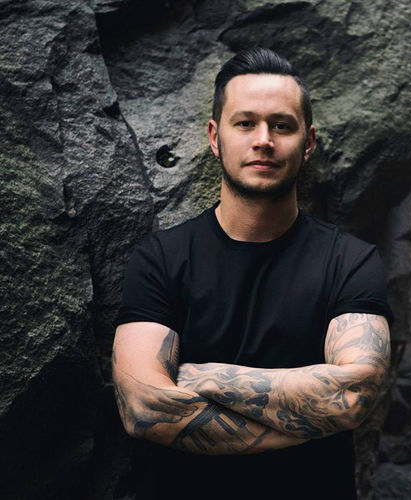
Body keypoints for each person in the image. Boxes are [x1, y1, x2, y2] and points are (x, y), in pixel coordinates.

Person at [112, 47, 393, 499]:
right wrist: (305, 422)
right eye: (245, 123)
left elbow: (353, 396)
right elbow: (143, 409)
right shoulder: (160, 259)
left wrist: (200, 378)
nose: (264, 140)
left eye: (282, 126)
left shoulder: (351, 261)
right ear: (215, 137)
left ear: (308, 142)